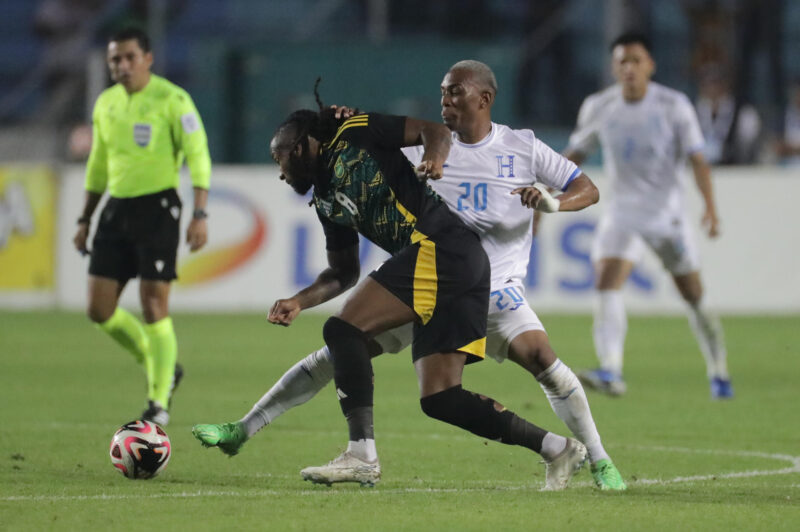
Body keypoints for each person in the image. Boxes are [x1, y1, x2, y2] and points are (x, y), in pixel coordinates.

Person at [194, 62, 625, 490]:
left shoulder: (517, 146)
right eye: (442, 92)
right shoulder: (333, 194)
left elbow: (582, 185)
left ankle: (600, 459)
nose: (445, 101)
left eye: (455, 91)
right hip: (435, 272)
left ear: (484, 98)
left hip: (479, 275)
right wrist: (299, 300)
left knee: (541, 361)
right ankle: (556, 448)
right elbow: (343, 270)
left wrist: (549, 201)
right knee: (431, 395)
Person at [563, 32, 732, 400]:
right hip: (622, 212)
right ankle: (611, 369)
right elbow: (573, 155)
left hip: (666, 215)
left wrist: (711, 209)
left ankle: (718, 368)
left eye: (635, 61)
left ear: (650, 65)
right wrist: (548, 192)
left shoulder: (674, 105)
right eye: (622, 61)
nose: (629, 68)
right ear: (614, 67)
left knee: (693, 294)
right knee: (606, 280)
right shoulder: (599, 106)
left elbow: (698, 160)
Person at [72, 27, 211, 425]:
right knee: (99, 310)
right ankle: (161, 365)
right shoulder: (106, 104)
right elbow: (98, 165)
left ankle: (158, 401)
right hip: (115, 210)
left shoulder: (173, 100)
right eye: (115, 59)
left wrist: (200, 214)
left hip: (158, 209)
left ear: (147, 58)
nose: (122, 65)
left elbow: (198, 157)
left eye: (130, 57)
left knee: (154, 306)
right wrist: (85, 217)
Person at [694, 65, 761, 165]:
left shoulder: (744, 112)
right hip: (702, 167)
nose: (711, 88)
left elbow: (748, 149)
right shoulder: (693, 110)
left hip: (733, 170)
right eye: (706, 83)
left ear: (725, 84)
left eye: (715, 83)